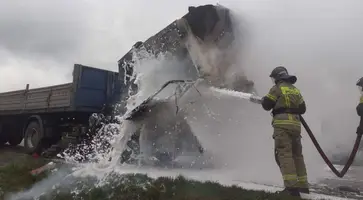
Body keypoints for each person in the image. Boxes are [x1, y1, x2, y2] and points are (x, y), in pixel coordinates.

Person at [254, 66, 309, 197]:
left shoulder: (277, 88)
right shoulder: (295, 90)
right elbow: (302, 109)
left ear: (277, 77)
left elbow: (267, 105)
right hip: (296, 126)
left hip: (282, 126)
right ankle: (303, 187)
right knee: (297, 155)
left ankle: (291, 189)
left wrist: (264, 100)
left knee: (285, 154)